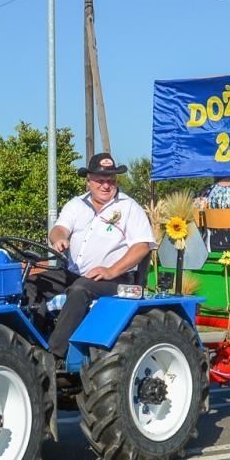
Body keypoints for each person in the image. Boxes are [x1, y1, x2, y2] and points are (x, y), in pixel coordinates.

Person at [32, 153, 157, 363]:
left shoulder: (128, 207)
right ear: (89, 180)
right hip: (74, 273)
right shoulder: (76, 205)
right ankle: (30, 341)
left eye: (111, 180)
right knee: (32, 283)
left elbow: (142, 246)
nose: (106, 185)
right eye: (100, 180)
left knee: (80, 290)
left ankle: (52, 356)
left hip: (116, 280)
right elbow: (59, 228)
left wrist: (111, 270)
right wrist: (60, 238)